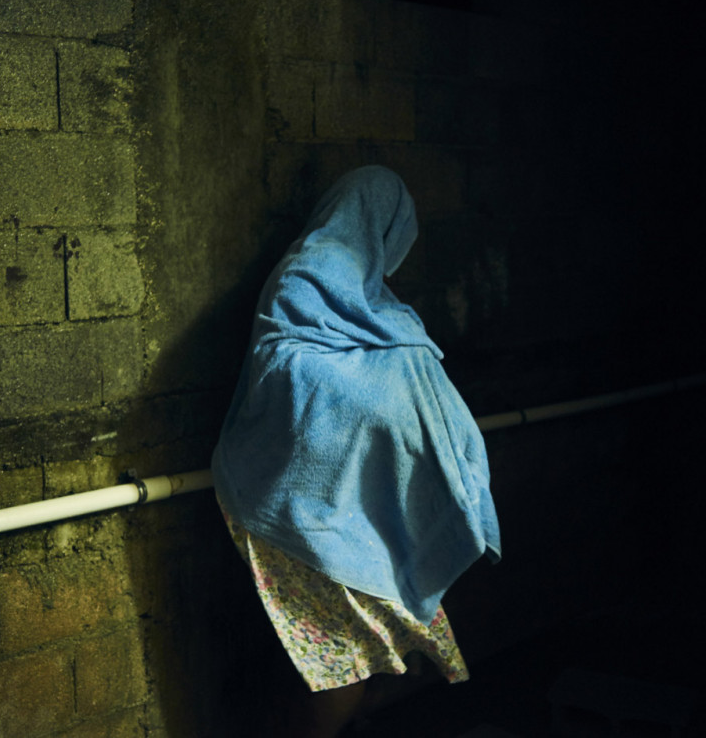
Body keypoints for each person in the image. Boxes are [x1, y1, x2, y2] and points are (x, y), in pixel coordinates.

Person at [212, 165, 501, 737]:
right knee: (337, 662)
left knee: (370, 656)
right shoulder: (301, 281)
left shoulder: (385, 311)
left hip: (369, 521)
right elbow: (284, 370)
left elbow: (417, 392)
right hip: (306, 514)